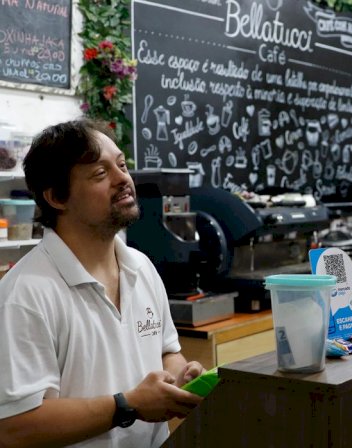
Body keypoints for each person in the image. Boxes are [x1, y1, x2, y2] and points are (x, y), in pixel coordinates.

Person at [0, 119, 204, 447]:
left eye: (122, 165)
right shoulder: (25, 294)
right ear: (56, 197)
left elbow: (167, 353)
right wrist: (128, 405)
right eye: (100, 173)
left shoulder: (141, 267)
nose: (123, 179)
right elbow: (14, 428)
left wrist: (181, 377)